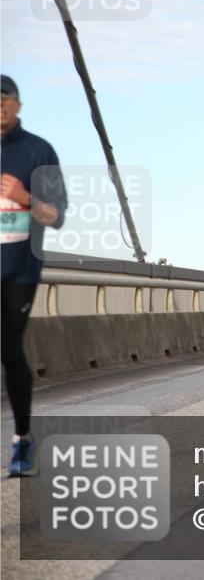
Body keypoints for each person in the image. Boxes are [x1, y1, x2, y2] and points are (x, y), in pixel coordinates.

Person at [1, 75, 67, 477]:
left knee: (9, 348)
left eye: (5, 99)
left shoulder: (38, 151)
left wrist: (26, 199)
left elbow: (56, 217)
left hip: (20, 270)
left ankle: (22, 439)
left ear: (18, 105)